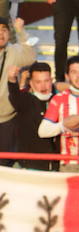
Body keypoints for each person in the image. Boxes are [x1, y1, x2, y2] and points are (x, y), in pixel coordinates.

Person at [7, 62, 59, 170]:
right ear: (31, 83)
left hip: (54, 166)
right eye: (38, 82)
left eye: (46, 81)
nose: (43, 86)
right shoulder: (26, 100)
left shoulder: (59, 100)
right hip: (30, 166)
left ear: (51, 80)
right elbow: (15, 95)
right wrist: (12, 79)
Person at [0, 17, 37, 152]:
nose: (1, 33)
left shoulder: (14, 51)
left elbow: (31, 56)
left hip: (7, 119)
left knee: (5, 161)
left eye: (4, 30)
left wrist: (20, 31)